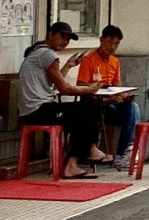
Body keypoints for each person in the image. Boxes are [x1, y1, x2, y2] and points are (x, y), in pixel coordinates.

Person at [18, 21, 108, 179]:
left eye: (68, 39)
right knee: (86, 108)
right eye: (62, 37)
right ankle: (82, 156)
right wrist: (90, 89)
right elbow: (63, 88)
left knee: (83, 111)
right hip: (38, 110)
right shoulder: (48, 54)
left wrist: (68, 66)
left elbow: (52, 84)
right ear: (51, 34)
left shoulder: (37, 51)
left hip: (32, 111)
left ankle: (83, 154)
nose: (65, 42)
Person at [77, 24, 138, 170]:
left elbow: (117, 87)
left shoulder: (115, 62)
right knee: (122, 110)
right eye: (109, 42)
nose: (112, 47)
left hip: (111, 104)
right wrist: (107, 100)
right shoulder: (89, 60)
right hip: (95, 105)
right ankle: (124, 151)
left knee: (132, 107)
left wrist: (125, 96)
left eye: (116, 43)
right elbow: (81, 88)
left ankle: (124, 152)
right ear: (101, 40)